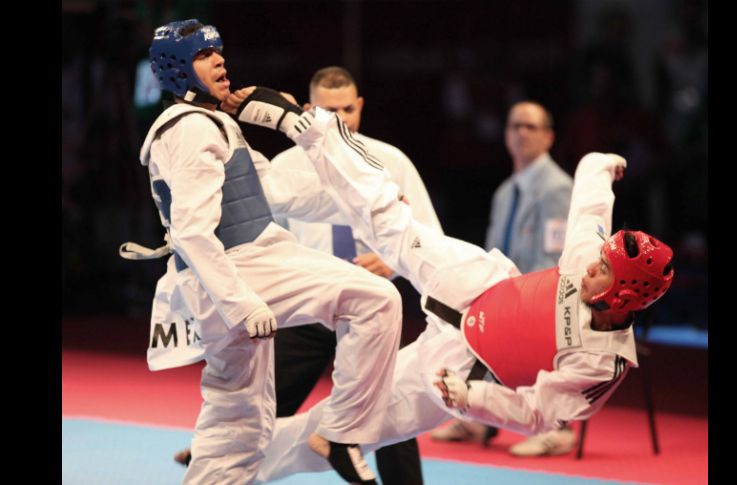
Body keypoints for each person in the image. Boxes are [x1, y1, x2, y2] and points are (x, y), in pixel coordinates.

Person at [222, 96, 674, 482]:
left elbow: (540, 413)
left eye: (604, 270)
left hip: (459, 371)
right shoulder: (589, 261)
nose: (593, 263)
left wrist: (473, 399)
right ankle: (313, 128)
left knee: (342, 429)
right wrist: (599, 165)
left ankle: (233, 463)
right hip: (478, 284)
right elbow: (591, 207)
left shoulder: (601, 363)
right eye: (601, 256)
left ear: (622, 296)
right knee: (388, 220)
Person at [132, 20, 403, 485]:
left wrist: (294, 123)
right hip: (239, 269)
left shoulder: (212, 124)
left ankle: (331, 433)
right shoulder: (191, 129)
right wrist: (241, 302)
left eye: (218, 50)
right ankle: (341, 433)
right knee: (376, 299)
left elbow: (276, 191)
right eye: (203, 54)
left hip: (237, 270)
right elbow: (193, 231)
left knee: (240, 427)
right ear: (177, 70)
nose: (219, 60)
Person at [172, 66, 440, 484]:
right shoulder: (283, 164)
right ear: (310, 108)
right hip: (307, 305)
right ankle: (219, 450)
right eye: (329, 111)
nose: (340, 119)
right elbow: (262, 237)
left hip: (367, 305)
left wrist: (392, 263)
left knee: (384, 411)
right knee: (267, 397)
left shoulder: (388, 161)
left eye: (348, 109)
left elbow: (427, 234)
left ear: (360, 106)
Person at [431, 101, 577, 457]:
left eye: (530, 127)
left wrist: (522, 302)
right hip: (508, 292)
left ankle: (558, 428)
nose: (521, 133)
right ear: (506, 135)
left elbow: (556, 257)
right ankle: (478, 414)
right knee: (456, 318)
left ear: (548, 137)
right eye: (515, 126)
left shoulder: (557, 188)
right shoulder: (504, 192)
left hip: (546, 297)